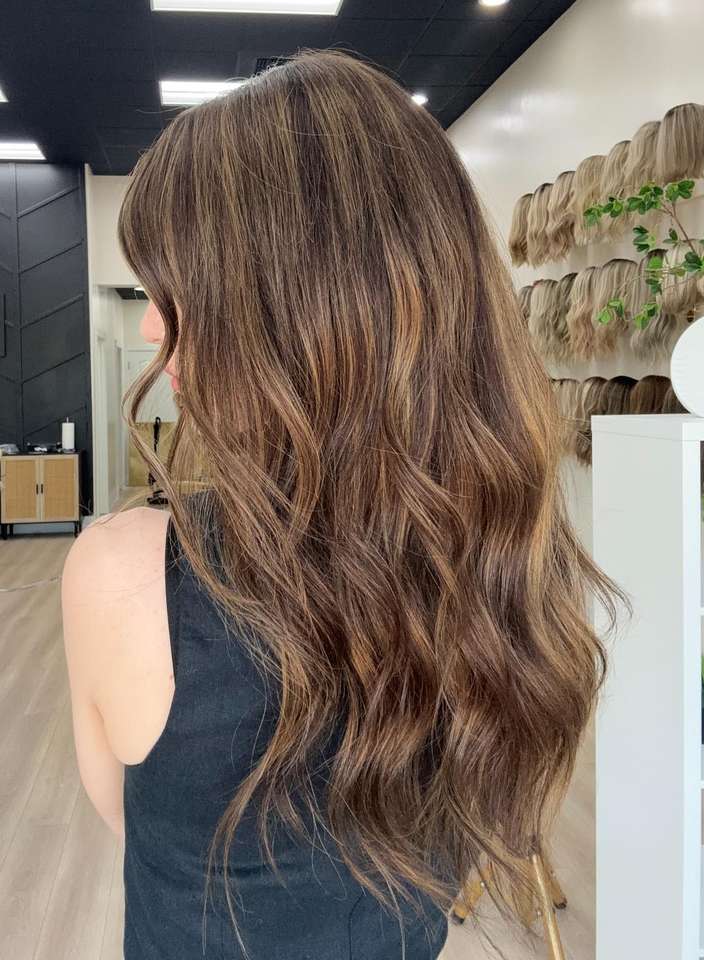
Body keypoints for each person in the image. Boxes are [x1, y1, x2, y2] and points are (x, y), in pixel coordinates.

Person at [62, 49, 618, 960]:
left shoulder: (123, 570)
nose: (154, 324)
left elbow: (128, 816)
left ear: (291, 306)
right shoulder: (501, 552)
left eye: (177, 289)